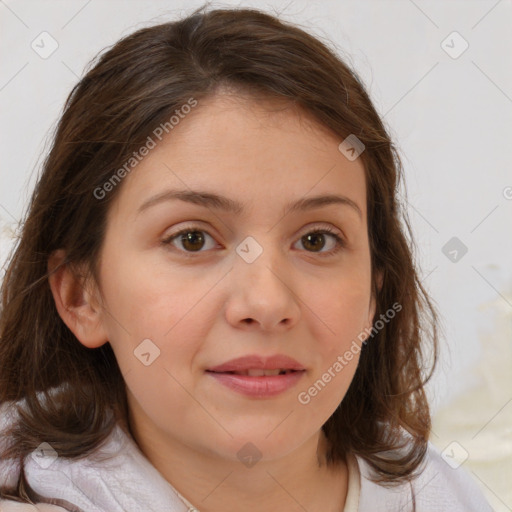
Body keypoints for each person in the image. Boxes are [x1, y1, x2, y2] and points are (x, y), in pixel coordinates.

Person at [0, 5, 492, 511]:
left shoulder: (447, 496)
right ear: (82, 296)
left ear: (374, 294)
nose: (266, 300)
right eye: (192, 239)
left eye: (317, 240)